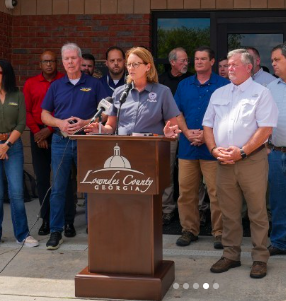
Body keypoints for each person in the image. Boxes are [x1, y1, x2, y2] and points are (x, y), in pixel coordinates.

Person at [203, 49, 278, 279]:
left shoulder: (261, 93)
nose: (229, 68)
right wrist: (214, 149)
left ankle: (259, 258)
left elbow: (265, 128)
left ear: (249, 67)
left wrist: (243, 152)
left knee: (257, 212)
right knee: (229, 212)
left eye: (235, 64)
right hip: (223, 161)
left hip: (251, 161)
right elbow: (207, 125)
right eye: (228, 65)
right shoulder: (219, 93)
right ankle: (231, 255)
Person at [41, 43, 108, 250]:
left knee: (91, 188)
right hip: (61, 142)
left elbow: (106, 113)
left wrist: (86, 122)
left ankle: (95, 230)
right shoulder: (56, 86)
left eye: (73, 58)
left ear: (80, 60)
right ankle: (56, 231)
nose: (70, 62)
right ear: (63, 62)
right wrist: (60, 123)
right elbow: (45, 114)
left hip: (86, 142)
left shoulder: (95, 84)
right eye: (66, 59)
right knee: (59, 189)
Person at [174, 46, 229, 249]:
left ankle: (220, 233)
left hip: (213, 148)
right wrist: (187, 132)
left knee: (216, 193)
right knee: (186, 192)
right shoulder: (184, 84)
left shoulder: (223, 85)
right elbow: (177, 111)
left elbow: (227, 117)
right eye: (196, 59)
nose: (198, 62)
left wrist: (207, 138)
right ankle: (189, 230)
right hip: (188, 147)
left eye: (203, 59)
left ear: (212, 62)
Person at [23, 50, 77, 238]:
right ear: (40, 64)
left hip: (60, 132)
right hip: (38, 133)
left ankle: (68, 221)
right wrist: (38, 133)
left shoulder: (65, 81)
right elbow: (27, 111)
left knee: (65, 179)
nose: (49, 65)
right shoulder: (31, 83)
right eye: (45, 62)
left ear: (57, 63)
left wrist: (50, 130)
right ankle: (46, 219)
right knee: (43, 178)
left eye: (52, 61)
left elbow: (66, 110)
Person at [85, 46, 181, 138]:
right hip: (123, 149)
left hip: (152, 149)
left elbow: (172, 126)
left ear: (148, 67)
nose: (131, 68)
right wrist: (102, 129)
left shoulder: (163, 92)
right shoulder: (119, 92)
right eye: (129, 64)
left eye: (135, 64)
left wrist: (169, 132)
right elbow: (111, 126)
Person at [0, 59, 39, 247]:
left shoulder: (17, 94)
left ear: (6, 74)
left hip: (12, 146)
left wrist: (6, 145)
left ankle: (22, 234)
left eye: (0, 73)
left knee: (16, 192)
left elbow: (21, 123)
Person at [158, 47, 192, 225]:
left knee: (192, 173)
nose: (187, 63)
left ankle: (197, 210)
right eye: (183, 60)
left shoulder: (192, 80)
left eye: (187, 60)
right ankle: (167, 209)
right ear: (172, 62)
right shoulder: (161, 82)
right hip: (168, 131)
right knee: (167, 171)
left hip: (189, 132)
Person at [267, 42, 286, 256]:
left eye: (277, 59)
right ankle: (280, 242)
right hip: (277, 152)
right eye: (272, 60)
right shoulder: (270, 88)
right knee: (278, 200)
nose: (273, 64)